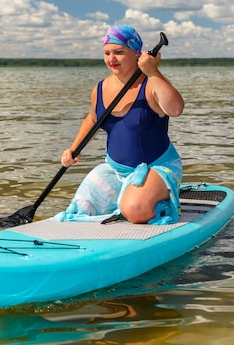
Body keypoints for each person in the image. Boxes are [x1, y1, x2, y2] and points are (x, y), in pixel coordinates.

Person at [54, 24, 184, 224]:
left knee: (135, 210)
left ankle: (159, 202)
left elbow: (175, 110)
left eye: (119, 52)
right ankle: (126, 197)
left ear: (136, 54)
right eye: (106, 53)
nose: (111, 59)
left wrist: (153, 72)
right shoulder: (100, 88)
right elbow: (93, 119)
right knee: (81, 208)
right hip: (116, 170)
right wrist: (73, 149)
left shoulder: (152, 82)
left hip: (158, 166)